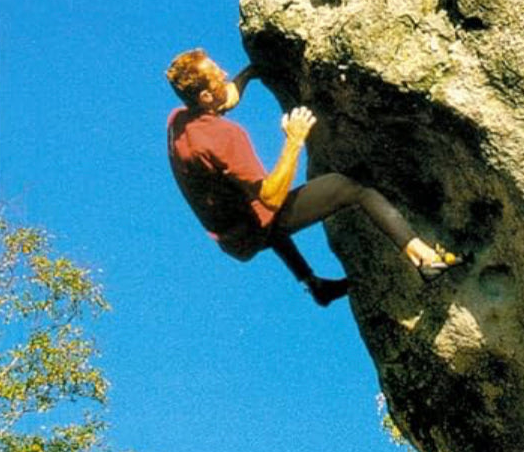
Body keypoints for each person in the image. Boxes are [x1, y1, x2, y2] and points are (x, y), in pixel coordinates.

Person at [166, 49, 462, 306]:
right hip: (250, 230)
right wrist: (294, 139)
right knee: (352, 188)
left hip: (231, 235)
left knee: (255, 212)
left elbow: (225, 99)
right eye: (218, 74)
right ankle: (424, 258)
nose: (225, 73)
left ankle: (315, 285)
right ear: (204, 95)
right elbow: (271, 196)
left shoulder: (179, 120)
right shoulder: (225, 138)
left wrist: (254, 71)